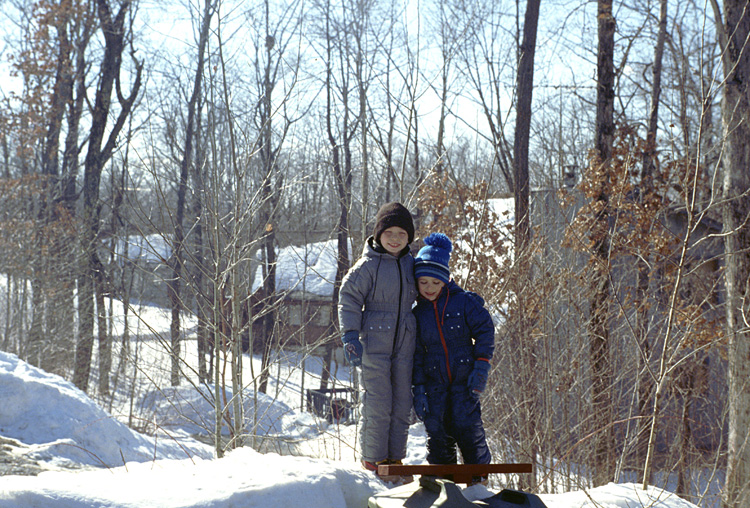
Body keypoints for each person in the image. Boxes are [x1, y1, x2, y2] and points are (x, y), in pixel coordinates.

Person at [337, 202, 419, 479]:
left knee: (401, 402)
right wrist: (350, 334)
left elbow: (431, 286)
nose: (395, 239)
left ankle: (394, 457)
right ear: (378, 234)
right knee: (378, 400)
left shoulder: (411, 264)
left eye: (402, 234)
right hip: (374, 342)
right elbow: (348, 298)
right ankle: (373, 458)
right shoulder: (368, 266)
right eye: (390, 233)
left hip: (405, 344)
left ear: (409, 238)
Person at [411, 232, 495, 480]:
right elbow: (415, 354)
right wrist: (418, 389)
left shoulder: (464, 303)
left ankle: (478, 476)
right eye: (423, 282)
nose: (429, 289)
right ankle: (442, 479)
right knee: (436, 427)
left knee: (465, 423)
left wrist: (481, 367)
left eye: (435, 283)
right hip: (433, 383)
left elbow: (485, 330)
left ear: (445, 280)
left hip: (464, 379)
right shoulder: (417, 314)